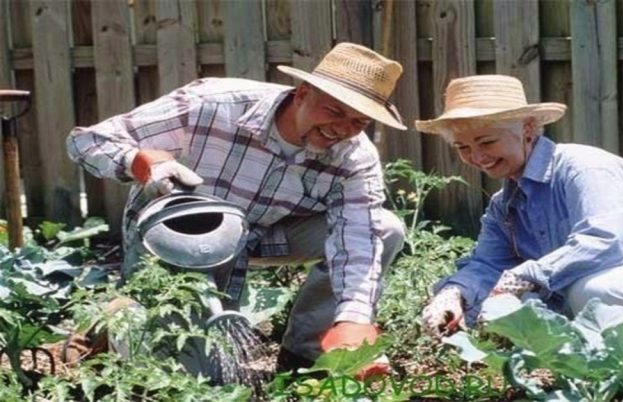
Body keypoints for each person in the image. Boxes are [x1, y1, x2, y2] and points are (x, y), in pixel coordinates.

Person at [66, 42, 406, 376]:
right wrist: (138, 162)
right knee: (184, 367)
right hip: (175, 240)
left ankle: (306, 355)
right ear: (302, 94)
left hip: (265, 234)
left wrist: (353, 320)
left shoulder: (354, 157)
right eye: (334, 112)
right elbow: (87, 141)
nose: (342, 129)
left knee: (385, 228)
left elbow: (358, 239)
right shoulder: (212, 105)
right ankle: (107, 322)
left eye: (358, 122)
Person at [418, 74, 623, 341]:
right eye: (463, 147)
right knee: (499, 308)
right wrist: (452, 295)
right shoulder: (503, 204)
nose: (477, 157)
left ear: (529, 129)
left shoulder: (584, 168)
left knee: (594, 290)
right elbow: (487, 264)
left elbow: (607, 244)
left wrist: (525, 275)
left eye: (487, 141)